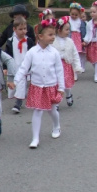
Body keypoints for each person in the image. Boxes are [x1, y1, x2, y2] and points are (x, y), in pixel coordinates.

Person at [13, 18, 65, 149]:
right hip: (37, 86)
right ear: (40, 36)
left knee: (52, 110)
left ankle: (56, 126)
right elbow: (24, 68)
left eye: (54, 34)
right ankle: (35, 138)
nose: (53, 37)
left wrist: (61, 87)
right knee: (38, 111)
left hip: (51, 86)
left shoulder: (54, 53)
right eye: (50, 35)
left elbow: (59, 71)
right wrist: (15, 81)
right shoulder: (32, 52)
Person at [52, 16, 82, 107]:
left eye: (69, 29)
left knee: (66, 83)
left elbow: (75, 54)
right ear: (59, 30)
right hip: (56, 66)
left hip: (66, 66)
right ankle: (57, 100)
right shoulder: (53, 41)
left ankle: (68, 94)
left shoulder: (70, 41)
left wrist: (77, 66)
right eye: (66, 29)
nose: (68, 32)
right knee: (56, 84)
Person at [7, 15, 33, 114]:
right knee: (13, 84)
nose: (23, 31)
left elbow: (32, 53)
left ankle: (18, 103)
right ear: (14, 29)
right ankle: (17, 96)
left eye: (25, 29)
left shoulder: (29, 41)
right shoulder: (10, 42)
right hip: (13, 66)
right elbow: (7, 55)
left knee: (21, 83)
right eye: (20, 29)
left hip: (24, 67)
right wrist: (5, 67)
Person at [68, 3, 86, 71]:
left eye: (76, 15)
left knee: (79, 53)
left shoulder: (80, 22)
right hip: (71, 37)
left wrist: (83, 40)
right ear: (70, 12)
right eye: (72, 14)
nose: (74, 16)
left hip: (78, 38)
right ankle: (73, 68)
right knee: (72, 53)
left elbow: (83, 31)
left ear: (79, 14)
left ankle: (80, 65)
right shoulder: (68, 19)